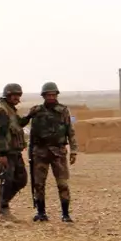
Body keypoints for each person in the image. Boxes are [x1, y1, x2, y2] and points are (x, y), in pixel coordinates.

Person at [25, 82, 77, 223]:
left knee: (62, 184)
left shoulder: (63, 111)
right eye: (48, 95)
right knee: (39, 184)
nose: (51, 97)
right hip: (40, 152)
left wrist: (74, 151)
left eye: (53, 95)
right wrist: (28, 114)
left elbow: (70, 131)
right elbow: (22, 123)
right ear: (43, 96)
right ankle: (41, 213)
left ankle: (65, 214)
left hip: (58, 153)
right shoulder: (36, 111)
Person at [0, 83, 30, 218]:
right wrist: (1, 154)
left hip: (15, 152)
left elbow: (20, 124)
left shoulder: (11, 111)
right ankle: (4, 210)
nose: (16, 98)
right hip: (7, 152)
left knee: (22, 180)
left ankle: (2, 204)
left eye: (18, 95)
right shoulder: (3, 112)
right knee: (7, 180)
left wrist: (30, 115)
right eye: (14, 95)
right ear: (7, 95)